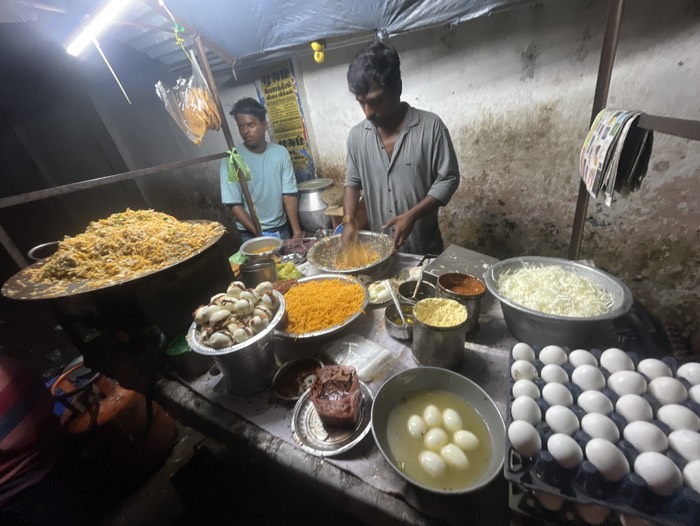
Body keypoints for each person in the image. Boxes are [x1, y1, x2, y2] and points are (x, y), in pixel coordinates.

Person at [341, 41, 460, 255]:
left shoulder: (431, 127)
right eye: (361, 103)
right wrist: (349, 220)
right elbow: (352, 182)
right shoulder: (357, 136)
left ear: (398, 87)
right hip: (379, 252)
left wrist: (413, 215)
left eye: (376, 101)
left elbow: (448, 179)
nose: (367, 112)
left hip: (424, 251)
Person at [220, 97, 304, 243]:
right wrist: (260, 234)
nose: (245, 131)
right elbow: (234, 204)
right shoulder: (233, 158)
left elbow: (289, 195)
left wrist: (296, 232)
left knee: (287, 265)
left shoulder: (280, 153)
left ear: (264, 125)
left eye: (250, 125)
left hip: (281, 228)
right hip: (249, 233)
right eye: (241, 126)